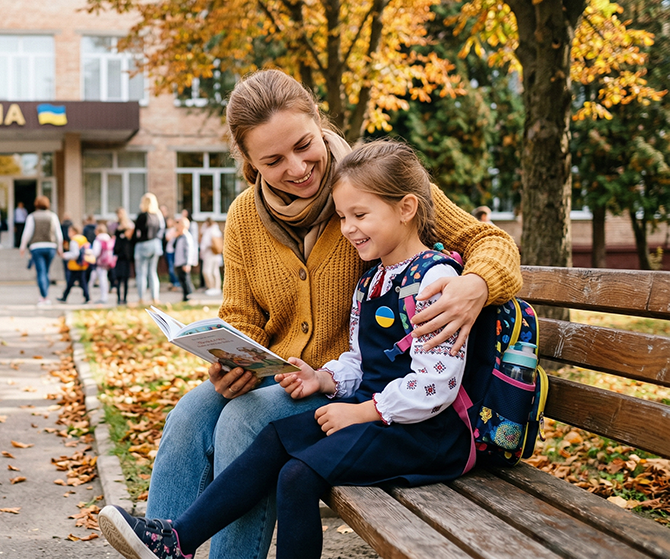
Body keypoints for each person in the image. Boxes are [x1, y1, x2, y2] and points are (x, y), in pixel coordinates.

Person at [144, 69, 523, 559]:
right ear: (250, 163)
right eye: (274, 161)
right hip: (288, 375)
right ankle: (160, 545)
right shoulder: (244, 215)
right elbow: (242, 313)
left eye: (304, 145)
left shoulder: (372, 182)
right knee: (191, 413)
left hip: (351, 386)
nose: (298, 168)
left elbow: (489, 241)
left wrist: (477, 283)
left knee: (242, 421)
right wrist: (229, 358)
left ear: (318, 122)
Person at [100, 139, 477, 559]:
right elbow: (359, 356)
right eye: (341, 217)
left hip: (422, 431)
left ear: (406, 209)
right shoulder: (372, 280)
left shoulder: (435, 281)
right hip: (372, 412)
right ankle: (175, 540)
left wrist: (362, 411)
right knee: (261, 433)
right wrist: (323, 377)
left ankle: (180, 539)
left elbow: (436, 385)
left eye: (359, 215)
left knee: (294, 472)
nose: (348, 227)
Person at [19, 195, 63, 306]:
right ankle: (45, 295)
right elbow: (58, 233)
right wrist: (60, 247)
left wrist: (23, 246)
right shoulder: (52, 216)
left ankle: (44, 297)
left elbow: (27, 233)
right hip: (51, 247)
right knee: (46, 272)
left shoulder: (32, 217)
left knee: (41, 272)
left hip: (37, 247)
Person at [133, 193, 165, 304]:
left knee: (141, 272)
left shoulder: (142, 216)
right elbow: (162, 230)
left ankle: (141, 298)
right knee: (152, 272)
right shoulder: (158, 216)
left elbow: (136, 232)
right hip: (155, 244)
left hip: (143, 244)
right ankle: (155, 298)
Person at [58, 225, 92, 304]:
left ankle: (65, 297)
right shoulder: (83, 239)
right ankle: (87, 297)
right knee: (82, 282)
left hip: (75, 265)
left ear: (73, 232)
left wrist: (65, 255)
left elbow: (75, 254)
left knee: (71, 282)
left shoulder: (74, 240)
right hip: (83, 264)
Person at [171, 216, 198, 303]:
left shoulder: (187, 237)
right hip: (178, 261)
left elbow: (189, 251)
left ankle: (188, 294)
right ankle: (184, 295)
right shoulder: (180, 237)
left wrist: (187, 263)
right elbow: (173, 246)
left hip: (184, 262)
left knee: (185, 279)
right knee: (181, 279)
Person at [112, 210, 134, 306]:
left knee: (125, 279)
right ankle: (118, 298)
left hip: (126, 256)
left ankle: (124, 298)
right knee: (118, 278)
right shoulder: (117, 228)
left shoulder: (129, 229)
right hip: (119, 256)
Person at [199, 217, 224, 295]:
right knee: (215, 271)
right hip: (216, 254)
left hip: (209, 254)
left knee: (207, 271)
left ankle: (212, 287)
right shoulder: (217, 230)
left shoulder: (209, 231)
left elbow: (204, 244)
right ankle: (217, 288)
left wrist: (201, 252)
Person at [91, 223, 115, 304]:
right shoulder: (108, 239)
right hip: (108, 261)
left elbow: (96, 252)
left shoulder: (98, 240)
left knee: (101, 279)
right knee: (104, 278)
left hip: (100, 262)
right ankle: (105, 296)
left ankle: (103, 296)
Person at [163, 216, 182, 292]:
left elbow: (168, 238)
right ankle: (172, 282)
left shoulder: (175, 230)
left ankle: (176, 283)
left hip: (173, 252)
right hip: (168, 251)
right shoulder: (168, 230)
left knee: (172, 269)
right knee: (170, 268)